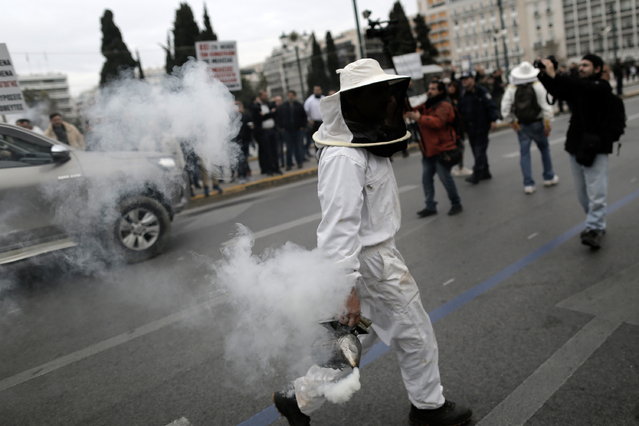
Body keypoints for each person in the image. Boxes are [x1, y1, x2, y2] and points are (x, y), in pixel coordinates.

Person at [272, 58, 472, 426]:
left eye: (386, 93)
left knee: (355, 340)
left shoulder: (364, 144)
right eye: (377, 95)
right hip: (370, 264)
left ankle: (299, 398)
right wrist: (345, 287)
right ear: (356, 102)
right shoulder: (344, 156)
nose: (388, 102)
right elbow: (337, 228)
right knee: (414, 335)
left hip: (370, 261)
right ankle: (429, 408)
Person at [537, 53, 613, 250]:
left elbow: (580, 87)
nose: (580, 68)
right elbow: (559, 91)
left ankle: (594, 227)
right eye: (579, 65)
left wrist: (558, 74)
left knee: (597, 190)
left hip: (596, 145)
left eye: (585, 65)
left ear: (597, 69)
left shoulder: (601, 87)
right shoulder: (578, 87)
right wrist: (545, 74)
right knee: (582, 194)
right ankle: (596, 223)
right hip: (576, 144)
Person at [406, 79, 463, 217]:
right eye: (429, 88)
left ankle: (456, 203)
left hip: (442, 149)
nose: (430, 91)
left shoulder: (444, 105)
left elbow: (438, 122)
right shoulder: (428, 103)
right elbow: (412, 109)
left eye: (433, 89)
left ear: (440, 91)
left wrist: (419, 118)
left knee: (445, 178)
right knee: (426, 178)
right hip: (428, 149)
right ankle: (430, 206)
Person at [501, 61, 559, 194]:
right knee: (544, 149)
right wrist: (547, 124)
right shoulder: (538, 85)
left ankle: (528, 184)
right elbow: (546, 107)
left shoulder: (512, 88)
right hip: (537, 123)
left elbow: (505, 109)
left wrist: (512, 122)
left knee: (524, 154)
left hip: (522, 124)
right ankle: (548, 177)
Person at [458, 72, 498, 184]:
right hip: (470, 128)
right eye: (462, 79)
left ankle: (476, 173)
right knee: (476, 151)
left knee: (479, 150)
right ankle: (485, 172)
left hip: (482, 126)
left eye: (466, 79)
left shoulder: (481, 91)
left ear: (472, 79)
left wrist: (493, 120)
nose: (464, 81)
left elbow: (491, 105)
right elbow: (460, 110)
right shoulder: (463, 93)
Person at [250, 91, 282, 176]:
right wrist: (269, 113)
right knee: (267, 152)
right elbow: (259, 117)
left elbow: (274, 112)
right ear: (260, 96)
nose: (266, 97)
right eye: (264, 96)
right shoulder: (256, 106)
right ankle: (268, 169)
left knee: (274, 150)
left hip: (272, 130)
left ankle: (276, 168)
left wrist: (267, 114)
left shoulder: (269, 104)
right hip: (263, 131)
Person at [276, 90, 307, 170]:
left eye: (292, 95)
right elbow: (279, 117)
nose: (290, 97)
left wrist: (302, 126)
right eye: (289, 95)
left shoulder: (299, 105)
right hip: (287, 130)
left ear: (294, 96)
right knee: (289, 148)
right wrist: (281, 127)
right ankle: (289, 165)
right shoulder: (283, 106)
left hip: (298, 129)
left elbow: (304, 116)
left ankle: (299, 162)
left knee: (298, 147)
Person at [303, 85, 324, 157]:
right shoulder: (309, 101)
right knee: (317, 140)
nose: (317, 91)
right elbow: (306, 111)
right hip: (315, 123)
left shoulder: (324, 98)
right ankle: (318, 155)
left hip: (324, 122)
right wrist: (309, 120)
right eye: (316, 90)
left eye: (319, 90)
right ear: (313, 91)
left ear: (321, 90)